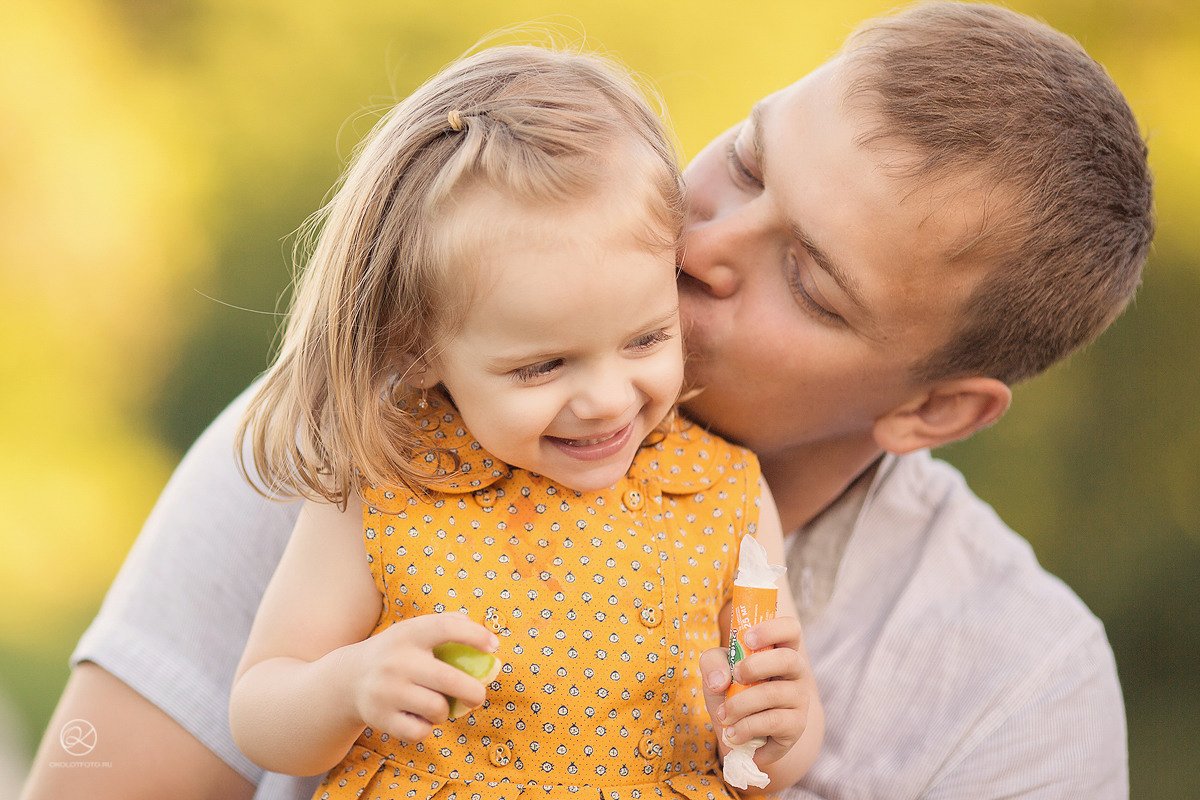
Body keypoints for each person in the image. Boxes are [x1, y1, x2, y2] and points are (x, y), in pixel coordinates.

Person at [20, 2, 1153, 799]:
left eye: (808, 280)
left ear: (935, 412)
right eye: (747, 162)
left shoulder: (1013, 695)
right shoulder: (353, 438)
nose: (701, 238)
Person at [224, 43, 820, 799]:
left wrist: (778, 727)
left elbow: (772, 765)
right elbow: (259, 712)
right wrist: (348, 685)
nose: (606, 398)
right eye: (542, 366)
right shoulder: (387, 488)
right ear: (419, 348)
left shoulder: (723, 494)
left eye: (646, 338)